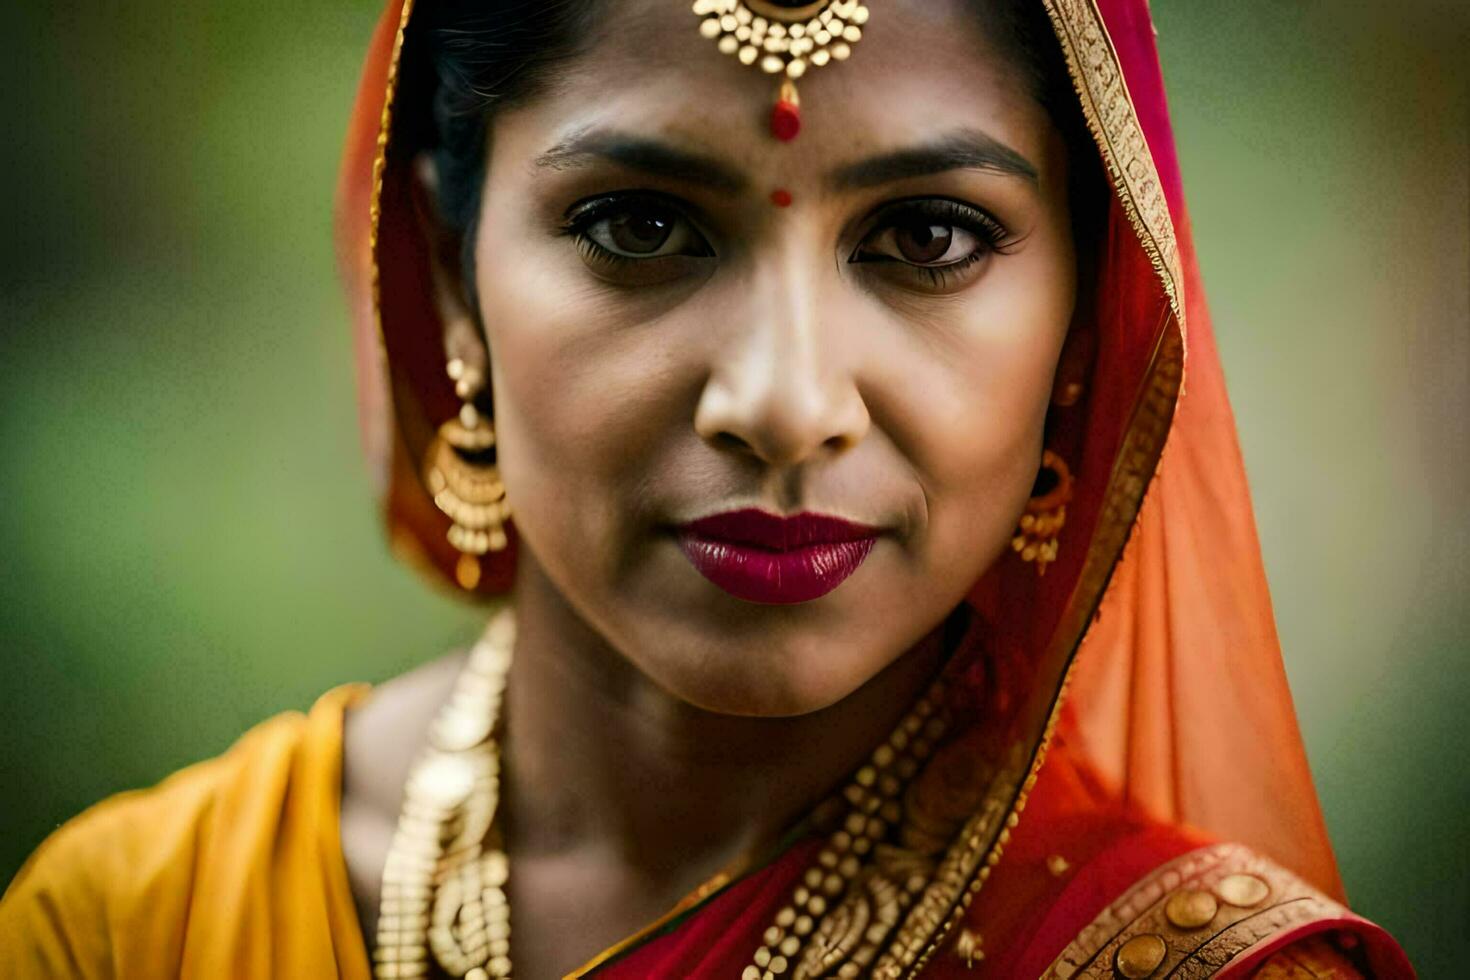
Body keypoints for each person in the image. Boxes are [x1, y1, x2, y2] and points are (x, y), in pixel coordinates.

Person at [0, 1, 1417, 977]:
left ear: (1076, 333)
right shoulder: (141, 922)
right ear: (446, 280)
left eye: (927, 235)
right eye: (641, 225)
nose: (786, 403)